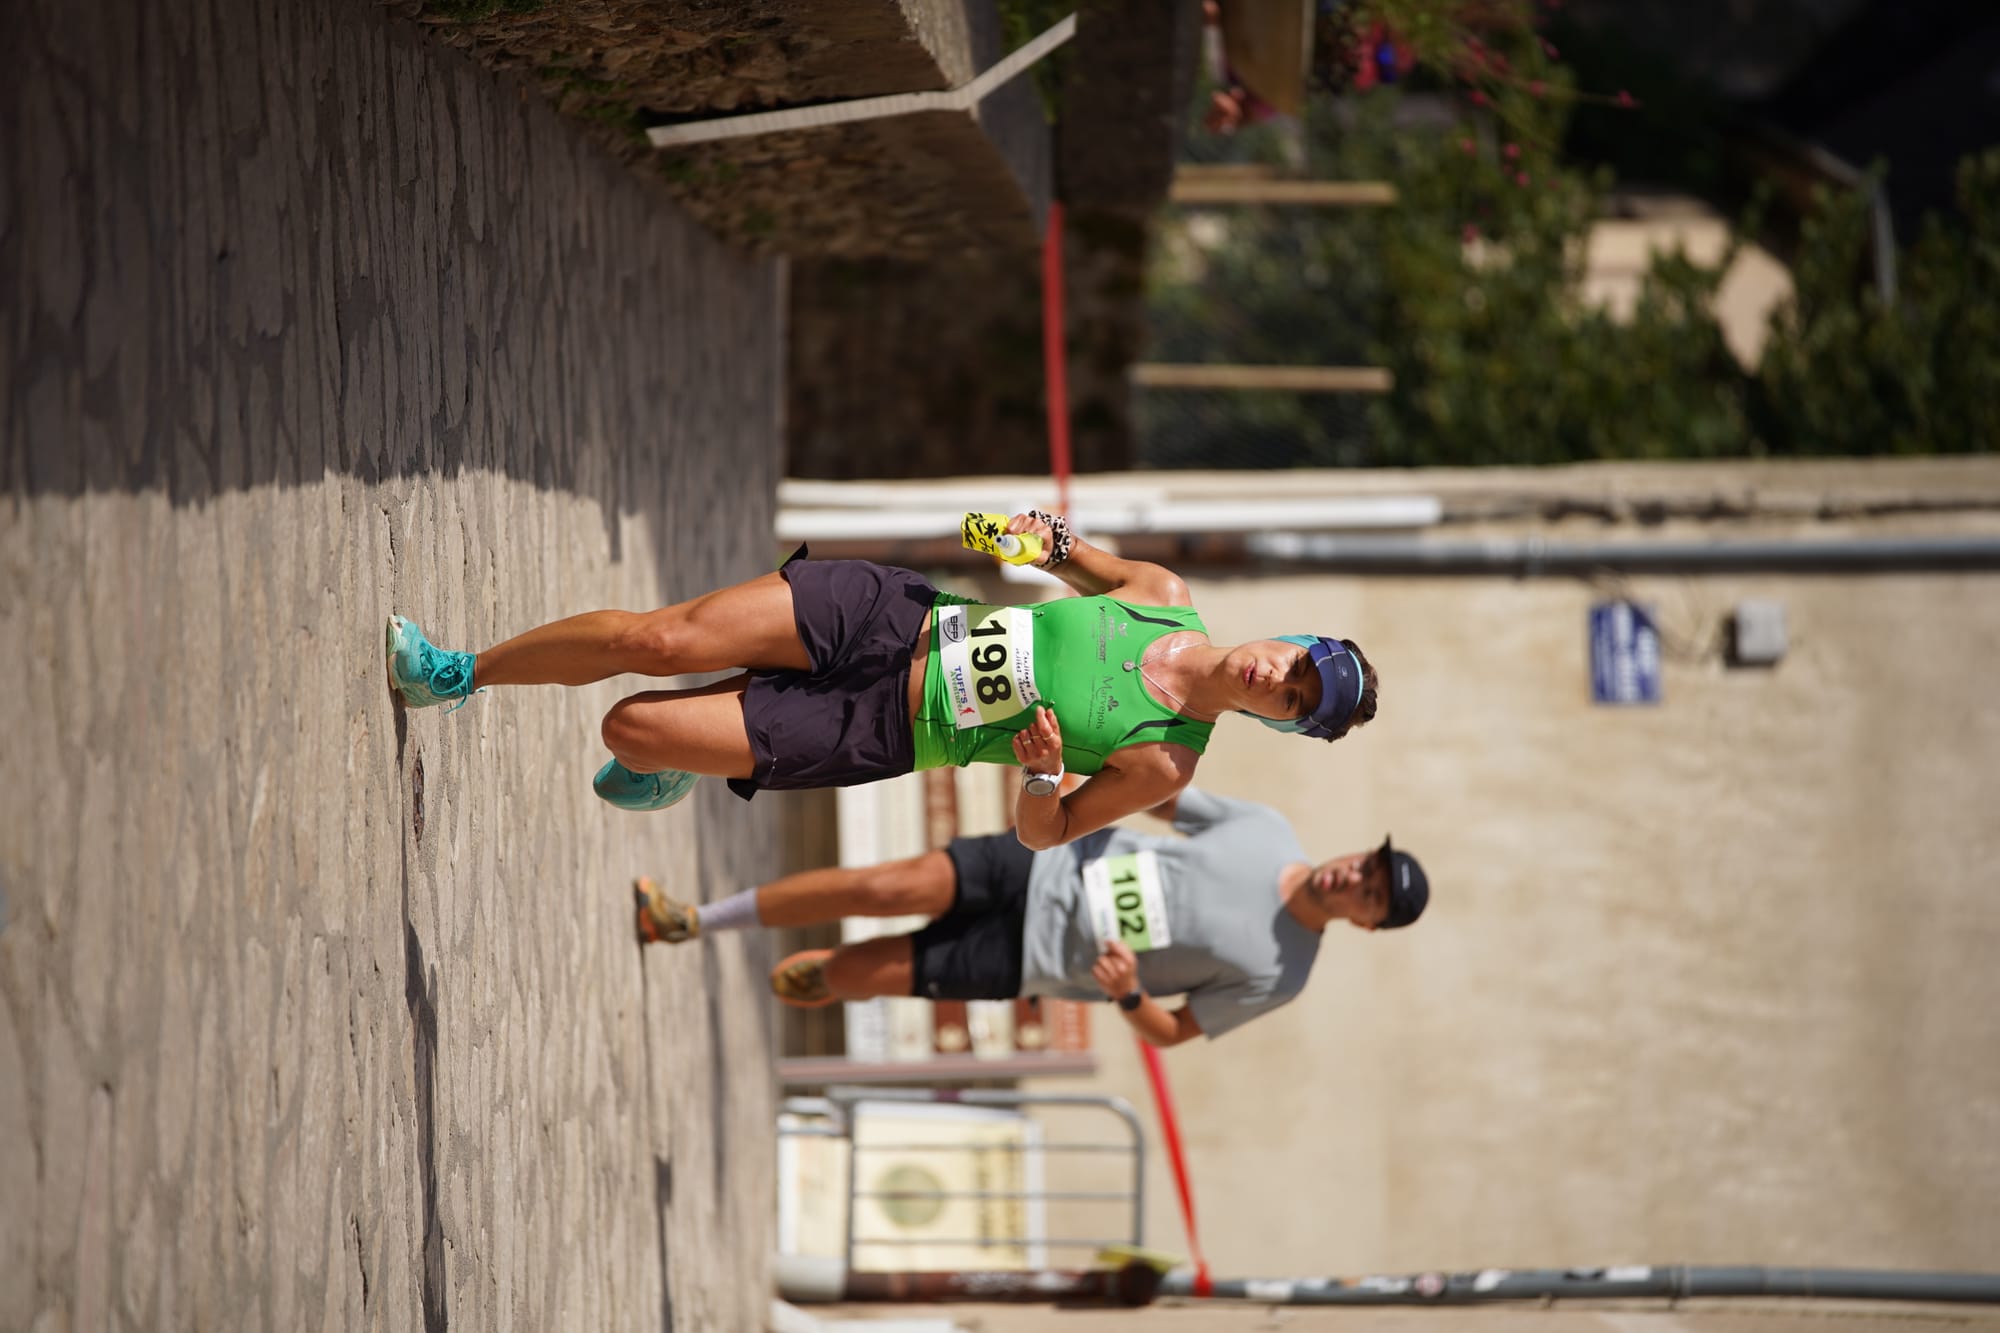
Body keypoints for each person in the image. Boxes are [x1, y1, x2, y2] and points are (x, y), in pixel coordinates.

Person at [385, 509, 1377, 850]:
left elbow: (1050, 834)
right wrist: (1035, 537)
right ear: (1288, 639)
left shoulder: (1163, 761)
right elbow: (1072, 555)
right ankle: (456, 673)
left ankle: (675, 764)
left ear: (1276, 724)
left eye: (1288, 701)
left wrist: (1038, 780)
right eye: (1295, 665)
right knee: (659, 639)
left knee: (632, 729)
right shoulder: (1161, 591)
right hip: (891, 614)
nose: (1272, 678)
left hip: (886, 730)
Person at [631, 785, 1429, 1046]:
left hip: (1032, 960)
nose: (1354, 876)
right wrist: (1077, 768)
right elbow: (1161, 790)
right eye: (1367, 864)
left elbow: (1178, 1030)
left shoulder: (1282, 973)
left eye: (1369, 893)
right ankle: (693, 920)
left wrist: (1125, 994)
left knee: (857, 971)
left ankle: (821, 979)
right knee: (881, 886)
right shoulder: (1267, 830)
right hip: (1040, 860)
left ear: (1365, 922)